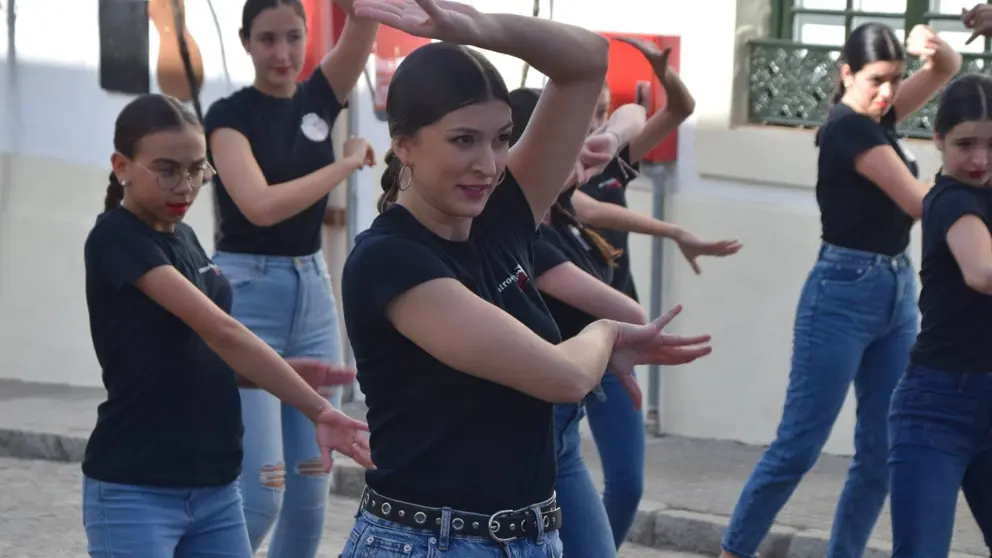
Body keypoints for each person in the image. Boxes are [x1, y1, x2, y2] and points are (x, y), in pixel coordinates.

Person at [340, 1, 712, 556]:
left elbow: (588, 60)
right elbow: (562, 378)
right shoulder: (390, 259)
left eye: (501, 138)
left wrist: (473, 28)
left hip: (529, 535)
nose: (489, 164)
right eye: (463, 140)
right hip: (427, 542)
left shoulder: (500, 218)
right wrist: (604, 333)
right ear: (404, 143)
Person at [81, 93, 372, 558]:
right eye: (167, 169)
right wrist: (318, 408)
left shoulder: (185, 238)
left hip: (215, 487)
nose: (185, 185)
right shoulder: (116, 238)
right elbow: (222, 333)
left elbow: (200, 353)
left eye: (197, 169)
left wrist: (288, 371)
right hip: (136, 486)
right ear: (122, 165)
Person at [719, 22, 961, 558]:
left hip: (896, 293)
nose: (888, 92)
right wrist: (969, 197)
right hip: (842, 294)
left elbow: (946, 71)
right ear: (845, 73)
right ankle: (734, 550)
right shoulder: (848, 130)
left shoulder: (882, 116)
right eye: (877, 79)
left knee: (881, 452)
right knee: (798, 446)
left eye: (896, 79)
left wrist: (929, 43)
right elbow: (919, 202)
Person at [203, 0, 376, 555]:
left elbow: (366, 19)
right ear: (246, 41)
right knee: (262, 493)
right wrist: (345, 164)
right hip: (246, 298)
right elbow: (259, 206)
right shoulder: (228, 116)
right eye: (268, 39)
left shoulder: (319, 97)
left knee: (309, 491)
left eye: (293, 37)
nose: (282, 53)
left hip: (313, 297)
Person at [888, 73, 992, 558]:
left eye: (991, 145)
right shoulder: (949, 198)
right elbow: (982, 272)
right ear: (938, 139)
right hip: (937, 409)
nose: (979, 159)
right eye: (965, 143)